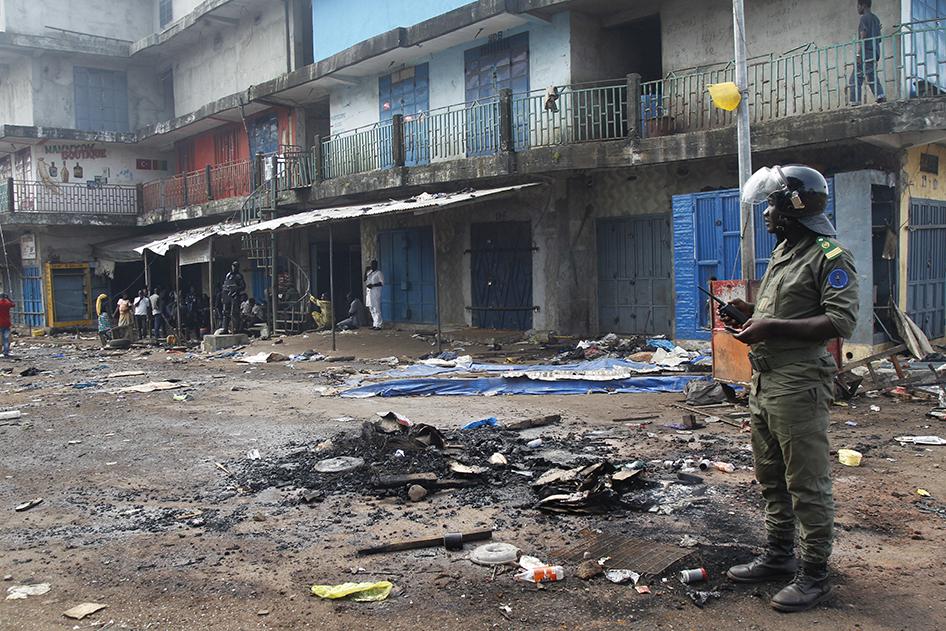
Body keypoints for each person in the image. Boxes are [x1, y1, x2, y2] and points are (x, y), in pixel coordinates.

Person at [722, 165, 858, 613]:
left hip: (799, 382)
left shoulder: (830, 255)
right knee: (771, 478)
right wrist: (748, 312)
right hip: (766, 380)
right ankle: (779, 556)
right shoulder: (784, 253)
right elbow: (777, 309)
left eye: (772, 204)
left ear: (793, 207)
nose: (766, 214)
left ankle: (814, 575)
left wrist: (769, 326)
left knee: (807, 482)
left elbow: (839, 321)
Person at [849, 0, 885, 105]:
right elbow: (879, 39)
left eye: (858, 6)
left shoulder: (864, 18)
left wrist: (858, 54)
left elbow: (863, 36)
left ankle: (855, 101)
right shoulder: (876, 19)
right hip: (875, 52)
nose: (857, 8)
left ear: (863, 5)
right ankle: (880, 96)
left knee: (855, 78)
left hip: (866, 52)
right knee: (871, 75)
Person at [221, 261, 246, 333]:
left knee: (234, 313)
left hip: (234, 295)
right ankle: (225, 329)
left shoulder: (239, 276)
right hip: (226, 295)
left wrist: (235, 289)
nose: (234, 267)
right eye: (233, 266)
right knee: (225, 313)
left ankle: (235, 329)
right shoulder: (228, 275)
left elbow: (243, 286)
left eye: (236, 266)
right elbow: (225, 284)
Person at [365, 259, 384, 330]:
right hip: (369, 292)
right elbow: (364, 279)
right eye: (371, 264)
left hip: (375, 292)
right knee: (371, 308)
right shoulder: (369, 272)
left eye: (374, 265)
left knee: (377, 308)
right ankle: (374, 324)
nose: (372, 266)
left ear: (376, 265)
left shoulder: (379, 273)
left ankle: (379, 325)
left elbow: (381, 283)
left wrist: (372, 285)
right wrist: (365, 270)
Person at [0, 292, 15, 357]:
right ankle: (6, 352)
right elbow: (13, 304)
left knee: (0, 338)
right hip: (6, 323)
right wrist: (8, 298)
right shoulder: (7, 303)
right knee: (6, 338)